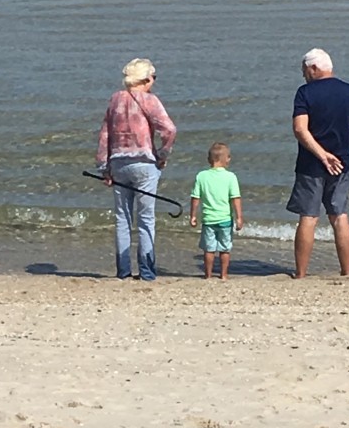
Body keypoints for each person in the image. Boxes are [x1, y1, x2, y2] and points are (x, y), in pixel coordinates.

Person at [286, 48, 349, 278]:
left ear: (314, 68)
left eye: (304, 71)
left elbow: (299, 129)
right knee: (339, 215)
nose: (304, 75)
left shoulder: (305, 93)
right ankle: (346, 271)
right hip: (342, 164)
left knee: (309, 217)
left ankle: (301, 273)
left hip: (311, 164)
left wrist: (322, 155)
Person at [96, 57, 176, 281]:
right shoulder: (149, 100)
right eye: (153, 77)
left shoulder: (115, 99)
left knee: (122, 218)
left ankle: (123, 271)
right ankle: (147, 271)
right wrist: (162, 155)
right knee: (146, 219)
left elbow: (105, 135)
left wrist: (104, 167)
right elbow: (169, 130)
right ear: (145, 79)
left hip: (118, 164)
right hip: (144, 163)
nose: (154, 81)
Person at [190, 142, 243, 280]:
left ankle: (208, 275)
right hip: (225, 219)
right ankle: (223, 275)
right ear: (226, 159)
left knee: (209, 249)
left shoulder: (202, 176)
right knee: (225, 248)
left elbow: (195, 198)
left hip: (208, 219)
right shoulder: (230, 177)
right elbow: (235, 198)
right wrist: (239, 217)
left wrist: (193, 216)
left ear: (209, 159)